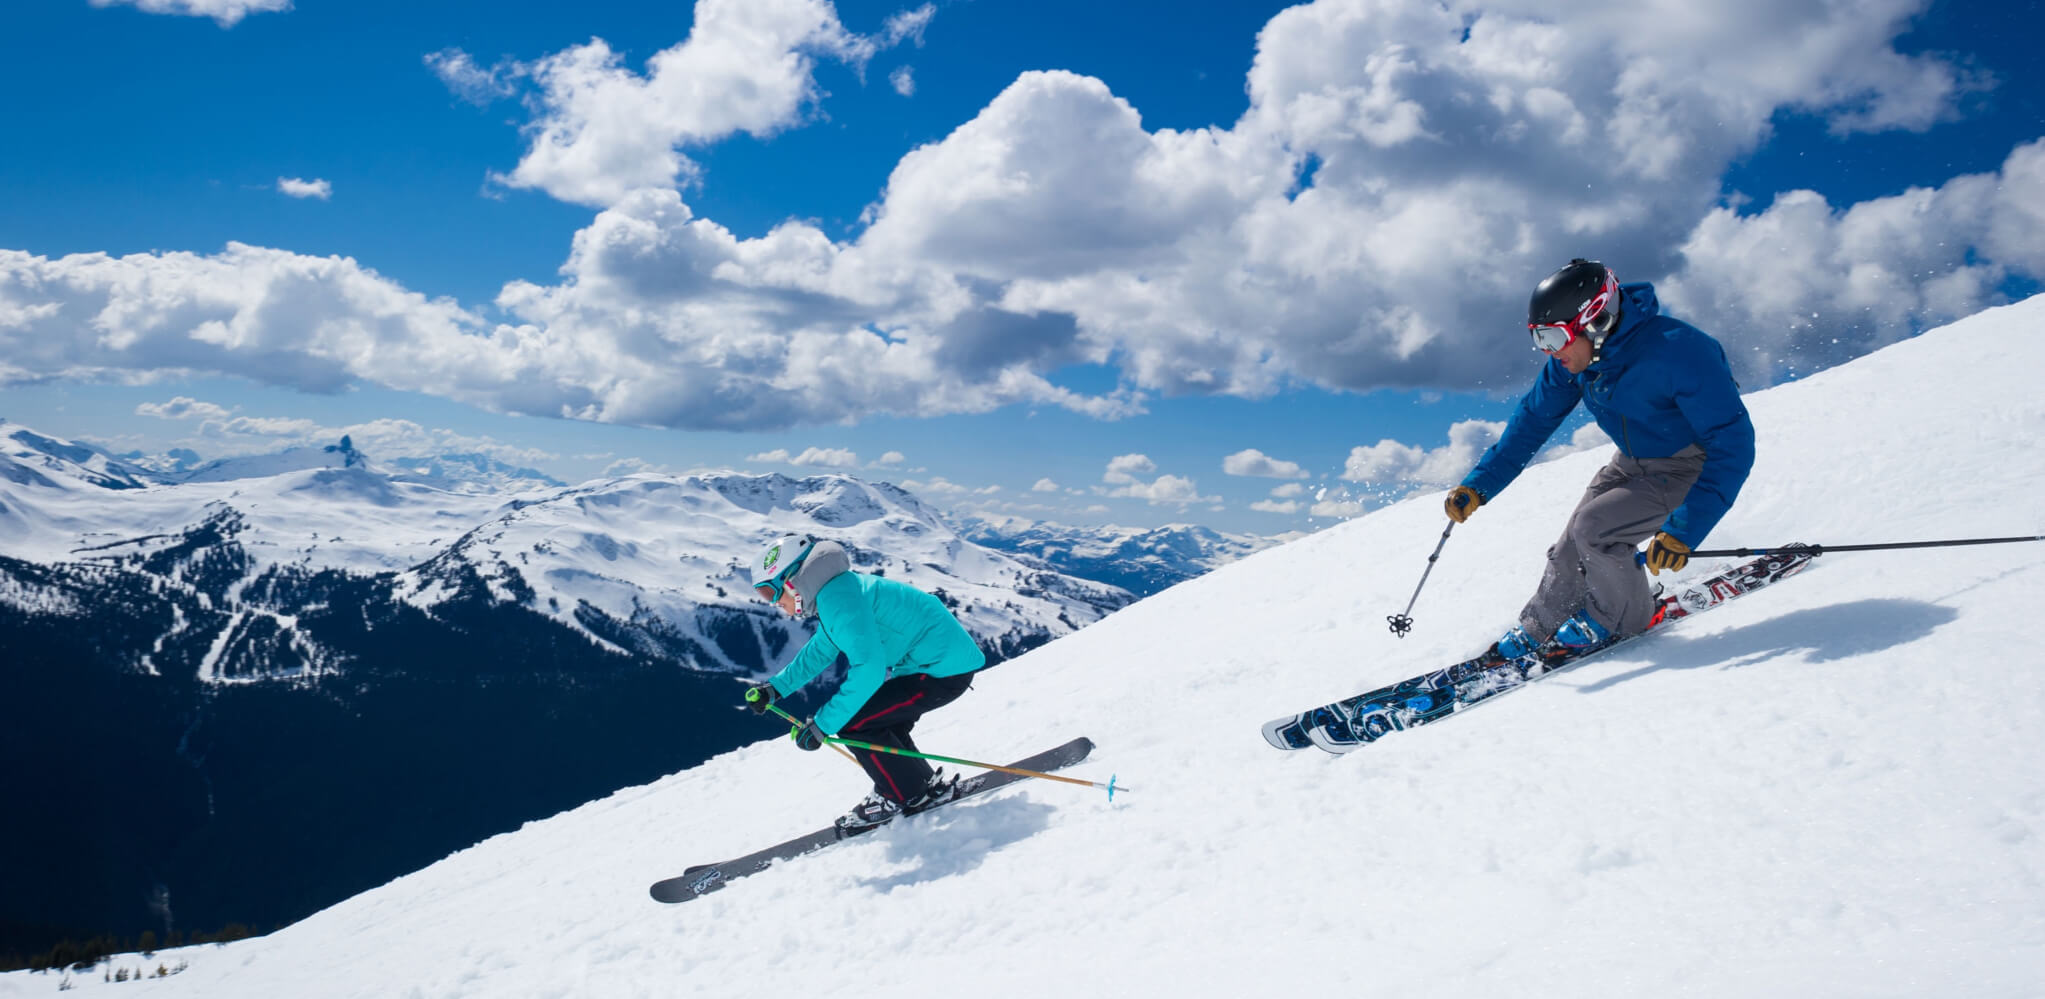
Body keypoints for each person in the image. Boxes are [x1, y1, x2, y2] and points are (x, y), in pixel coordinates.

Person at [1444, 258, 1755, 660]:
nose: (1549, 353)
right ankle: (1543, 625)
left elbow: (1734, 444)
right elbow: (1533, 422)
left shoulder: (1681, 352)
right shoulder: (1580, 361)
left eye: (1554, 338)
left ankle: (1620, 621)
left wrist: (1685, 529)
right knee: (1571, 543)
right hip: (1631, 461)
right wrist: (1478, 484)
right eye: (1540, 340)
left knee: (1597, 529)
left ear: (1597, 321)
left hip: (1688, 465)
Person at [742, 534, 986, 830]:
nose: (773, 604)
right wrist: (776, 689)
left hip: (939, 672)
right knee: (877, 723)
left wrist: (822, 726)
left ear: (791, 581)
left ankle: (898, 794)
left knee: (856, 724)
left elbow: (868, 670)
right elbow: (822, 649)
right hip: (934, 665)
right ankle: (918, 788)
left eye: (770, 593)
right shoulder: (836, 593)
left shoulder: (838, 599)